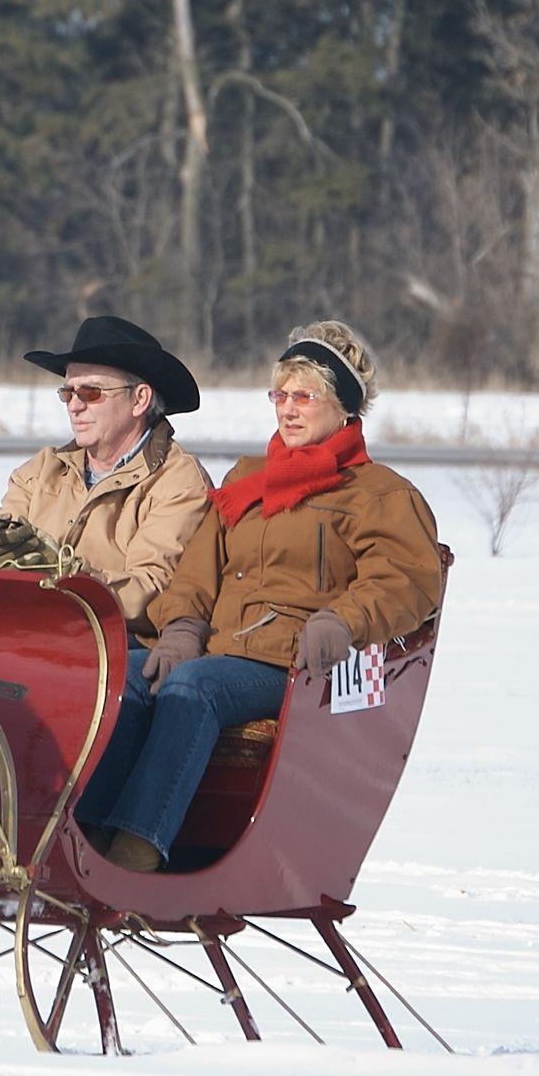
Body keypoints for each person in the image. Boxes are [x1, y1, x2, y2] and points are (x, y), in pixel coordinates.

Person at [74, 320, 443, 872]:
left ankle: (137, 847)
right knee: (122, 673)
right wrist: (180, 629)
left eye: (305, 397)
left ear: (345, 408)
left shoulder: (379, 494)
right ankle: (86, 835)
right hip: (219, 649)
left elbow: (406, 580)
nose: (288, 409)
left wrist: (343, 621)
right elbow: (198, 571)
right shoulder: (249, 479)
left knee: (196, 687)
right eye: (280, 395)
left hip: (294, 663)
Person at [0, 315, 212, 642]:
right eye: (67, 393)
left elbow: (150, 592)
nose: (74, 406)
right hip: (19, 634)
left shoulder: (179, 481)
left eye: (90, 393)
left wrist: (67, 575)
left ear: (140, 399)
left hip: (114, 649)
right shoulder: (42, 468)